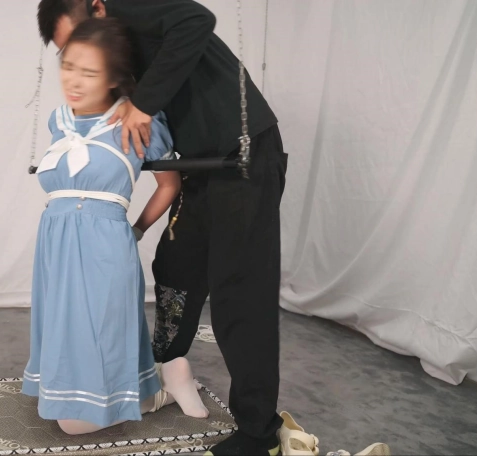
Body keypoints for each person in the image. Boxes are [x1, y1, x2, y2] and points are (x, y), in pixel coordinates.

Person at [36, 1, 289, 455]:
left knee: (238, 293)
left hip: (241, 157)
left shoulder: (133, 6)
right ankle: (164, 369)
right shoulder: (115, 59)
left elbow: (197, 20)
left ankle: (259, 431)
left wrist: (142, 104)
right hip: (196, 166)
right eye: (66, 54)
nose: (79, 56)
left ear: (97, 7)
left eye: (80, 38)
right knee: (175, 269)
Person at [21, 17, 210, 436]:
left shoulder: (137, 121)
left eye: (89, 72)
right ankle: (163, 378)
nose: (74, 80)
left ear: (112, 78)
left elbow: (169, 184)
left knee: (74, 421)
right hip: (55, 250)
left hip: (105, 249)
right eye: (69, 66)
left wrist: (135, 230)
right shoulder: (57, 120)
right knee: (61, 375)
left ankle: (162, 389)